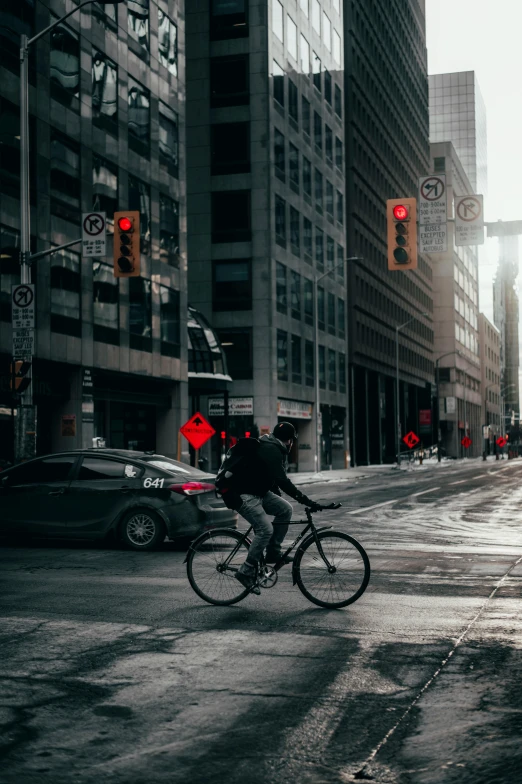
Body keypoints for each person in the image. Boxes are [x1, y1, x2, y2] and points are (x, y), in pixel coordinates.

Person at [233, 422, 324, 594]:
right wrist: (306, 501)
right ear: (288, 440)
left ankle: (273, 552)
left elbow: (268, 475)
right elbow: (282, 481)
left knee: (285, 509)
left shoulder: (273, 446)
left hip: (258, 491)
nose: (292, 444)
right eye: (292, 440)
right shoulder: (272, 449)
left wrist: (277, 496)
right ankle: (246, 571)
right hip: (245, 494)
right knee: (265, 530)